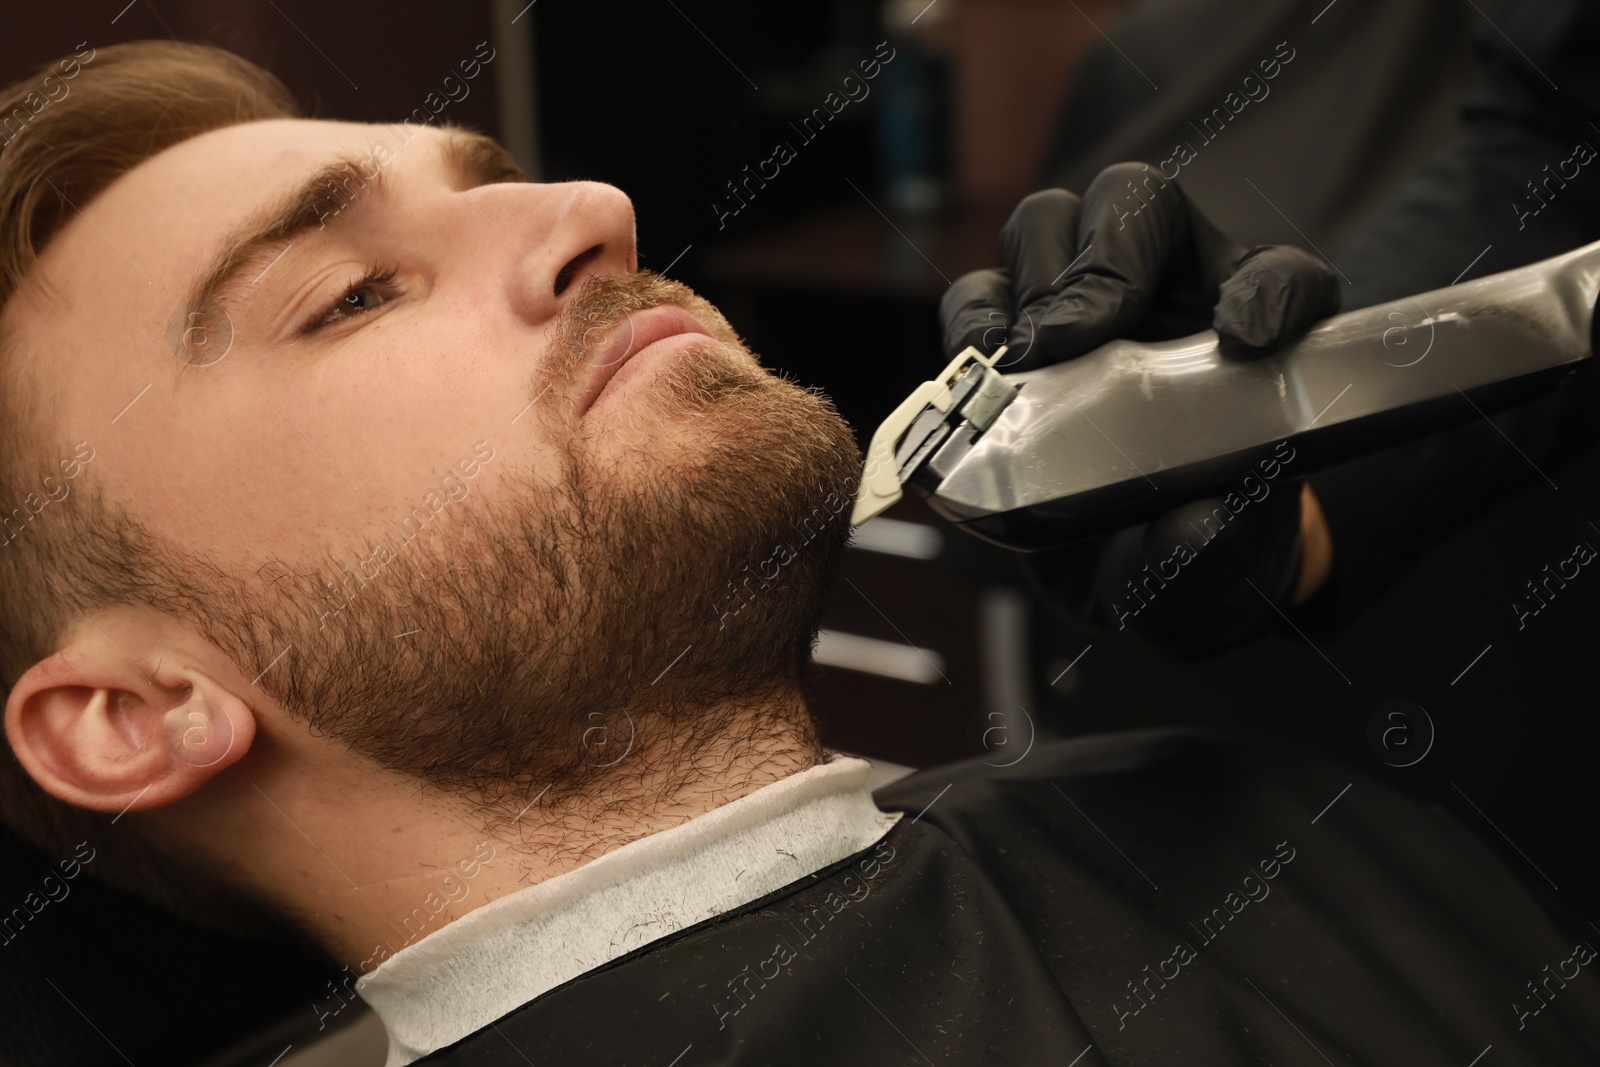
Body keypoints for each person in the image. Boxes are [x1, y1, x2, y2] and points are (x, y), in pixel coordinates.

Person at [0, 40, 1596, 1066]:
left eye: (498, 179)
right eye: (351, 294)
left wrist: (1346, 419)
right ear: (134, 714)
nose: (598, 208)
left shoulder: (1275, 823)